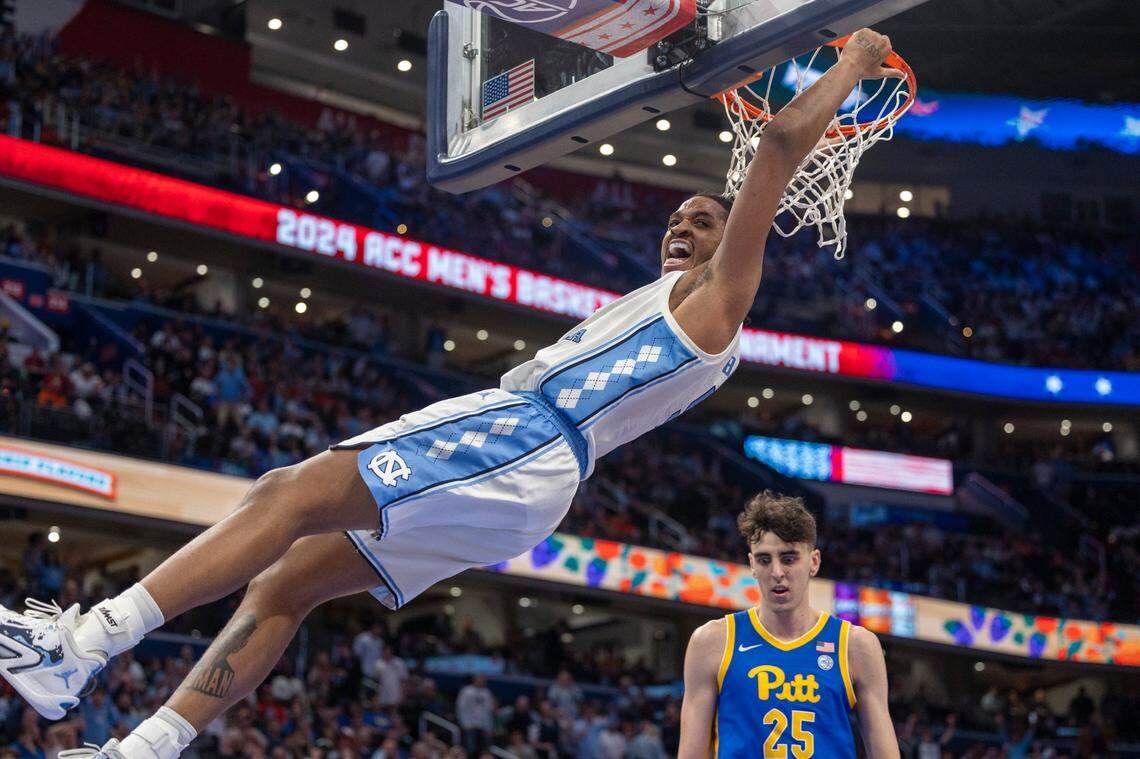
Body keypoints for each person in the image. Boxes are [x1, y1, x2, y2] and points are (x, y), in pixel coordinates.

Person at [0, 27, 899, 759]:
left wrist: (853, 59)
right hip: (534, 474)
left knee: (289, 492)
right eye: (677, 213)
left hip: (526, 436)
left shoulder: (720, 304)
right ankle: (140, 751)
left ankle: (83, 644)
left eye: (703, 219)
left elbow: (779, 145)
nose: (683, 221)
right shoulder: (666, 302)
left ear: (732, 246)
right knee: (286, 583)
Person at [677, 491, 898, 758]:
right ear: (752, 565)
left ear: (814, 562)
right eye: (764, 559)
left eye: (789, 558)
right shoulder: (712, 642)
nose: (777, 572)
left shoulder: (856, 646)